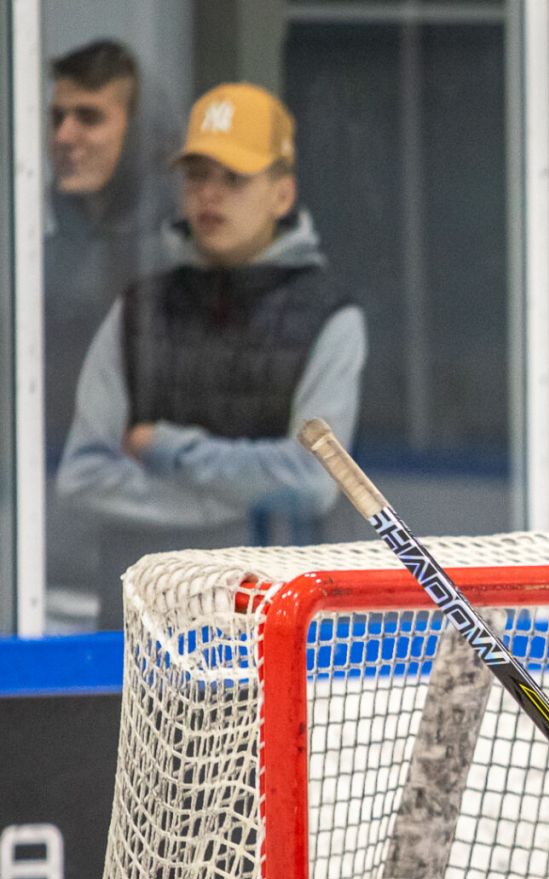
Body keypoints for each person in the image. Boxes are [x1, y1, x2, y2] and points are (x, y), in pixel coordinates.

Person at [57, 83, 366, 629]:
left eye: (234, 178)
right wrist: (229, 506)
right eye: (197, 175)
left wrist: (165, 447)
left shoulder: (332, 317)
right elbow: (82, 479)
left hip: (271, 637)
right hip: (135, 636)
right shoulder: (138, 309)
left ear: (282, 195)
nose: (210, 194)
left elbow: (313, 481)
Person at [43, 39, 179, 626]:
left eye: (89, 117)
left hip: (159, 584)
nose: (65, 136)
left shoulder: (185, 264)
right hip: (39, 577)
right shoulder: (32, 261)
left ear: (142, 135)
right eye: (56, 117)